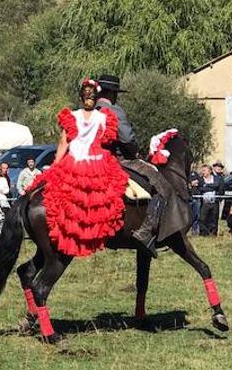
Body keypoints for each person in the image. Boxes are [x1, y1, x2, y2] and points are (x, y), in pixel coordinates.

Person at [28, 78, 128, 257]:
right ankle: (98, 234)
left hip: (73, 160)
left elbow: (63, 144)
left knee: (64, 200)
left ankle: (70, 233)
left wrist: (54, 167)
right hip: (97, 162)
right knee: (104, 200)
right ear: (96, 98)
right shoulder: (105, 118)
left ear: (81, 97)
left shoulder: (72, 116)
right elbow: (107, 141)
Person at [96, 74, 188, 258]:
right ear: (112, 93)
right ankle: (145, 230)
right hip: (119, 160)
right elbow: (128, 139)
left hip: (93, 159)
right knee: (161, 185)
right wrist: (135, 150)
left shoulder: (90, 110)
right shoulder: (114, 110)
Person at [199, 165, 223, 236]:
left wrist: (206, 185)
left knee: (214, 219)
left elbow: (217, 185)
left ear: (209, 171)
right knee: (202, 219)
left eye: (204, 170)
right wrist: (212, 187)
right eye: (202, 170)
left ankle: (213, 234)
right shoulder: (201, 179)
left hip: (214, 202)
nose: (203, 172)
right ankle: (204, 234)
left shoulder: (216, 178)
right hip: (205, 203)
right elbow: (200, 188)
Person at [189, 166, 202, 236]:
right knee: (188, 216)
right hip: (188, 198)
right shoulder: (183, 173)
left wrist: (196, 182)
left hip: (197, 198)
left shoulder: (195, 173)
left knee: (196, 216)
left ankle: (195, 232)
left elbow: (201, 182)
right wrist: (191, 184)